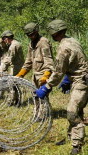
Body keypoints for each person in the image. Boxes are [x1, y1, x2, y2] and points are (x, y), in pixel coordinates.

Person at [35, 19, 88, 154]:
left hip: (81, 81)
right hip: (79, 78)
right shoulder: (72, 40)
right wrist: (67, 79)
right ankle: (71, 137)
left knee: (71, 112)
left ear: (55, 33)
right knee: (77, 109)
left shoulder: (63, 48)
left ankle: (76, 146)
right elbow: (78, 61)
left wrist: (47, 87)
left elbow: (58, 71)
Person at [16, 22, 54, 88]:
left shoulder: (43, 42)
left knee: (42, 96)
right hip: (35, 76)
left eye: (32, 35)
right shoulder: (31, 44)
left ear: (36, 32)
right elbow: (28, 62)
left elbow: (49, 61)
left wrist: (46, 75)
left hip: (43, 74)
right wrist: (20, 74)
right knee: (35, 95)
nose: (31, 37)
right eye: (28, 35)